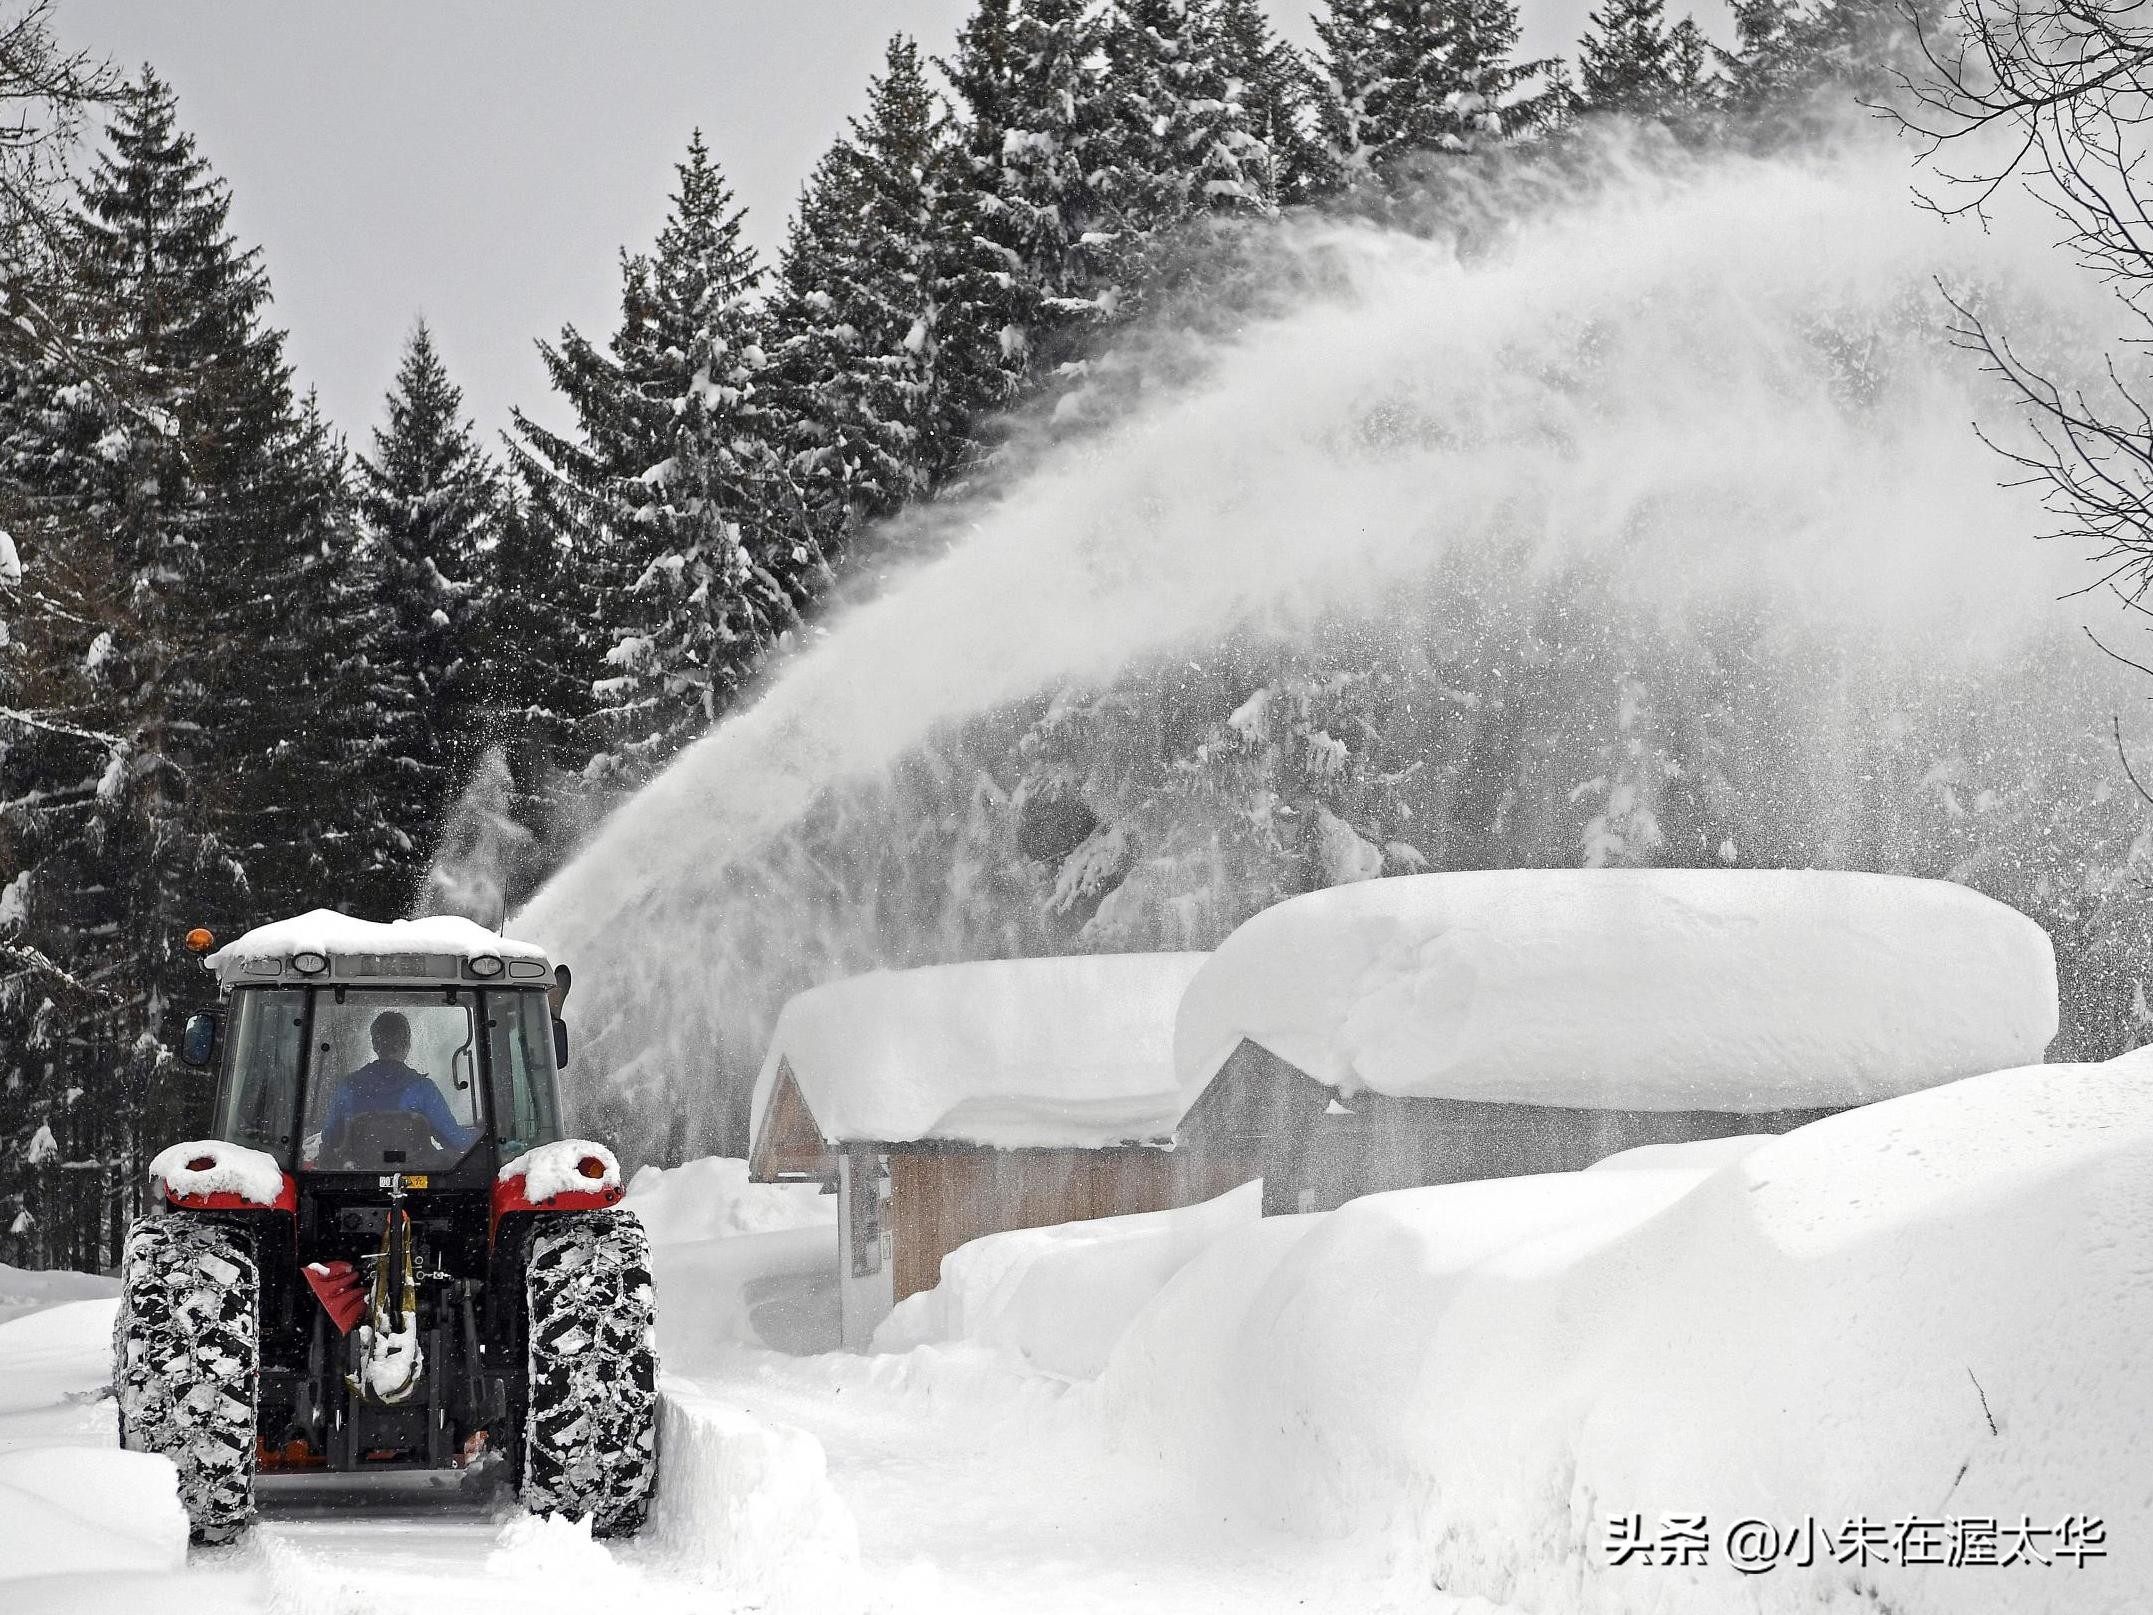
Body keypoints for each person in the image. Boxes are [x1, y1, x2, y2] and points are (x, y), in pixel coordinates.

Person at [319, 1010, 476, 1157]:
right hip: (415, 1180)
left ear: (375, 1044)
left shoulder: (347, 1087)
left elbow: (329, 1138)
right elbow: (456, 1140)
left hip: (357, 1178)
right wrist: (484, 1134)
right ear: (407, 1044)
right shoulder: (422, 1089)